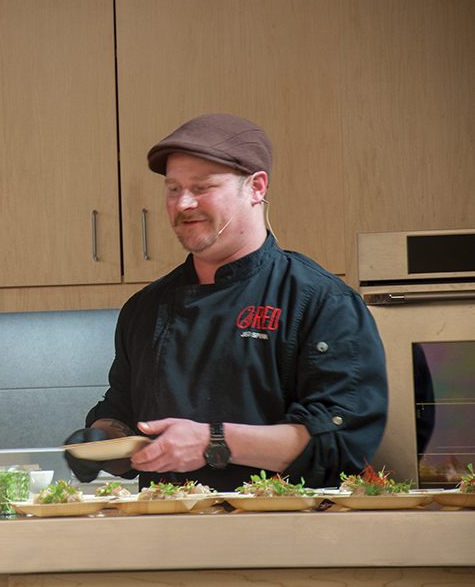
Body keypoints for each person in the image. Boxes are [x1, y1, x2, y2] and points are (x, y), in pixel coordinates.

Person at [64, 113, 388, 491]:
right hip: (165, 537)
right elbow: (124, 411)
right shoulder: (145, 308)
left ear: (256, 188)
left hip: (284, 538)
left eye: (202, 187)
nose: (183, 203)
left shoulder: (321, 302)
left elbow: (341, 442)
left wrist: (211, 442)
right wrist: (102, 441)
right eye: (173, 189)